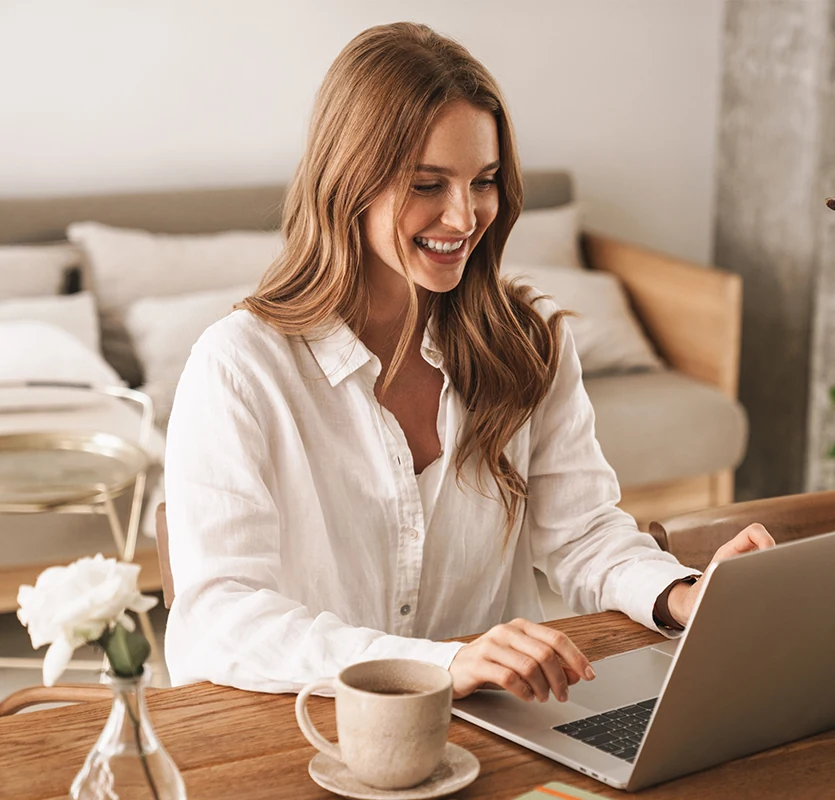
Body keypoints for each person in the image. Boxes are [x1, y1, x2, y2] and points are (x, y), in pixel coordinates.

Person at [164, 22, 774, 703]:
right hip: (305, 729)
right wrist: (436, 664)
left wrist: (682, 594)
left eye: (482, 181)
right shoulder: (240, 367)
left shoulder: (529, 342)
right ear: (348, 179)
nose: (463, 217)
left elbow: (578, 531)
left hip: (498, 730)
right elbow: (220, 617)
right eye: (427, 184)